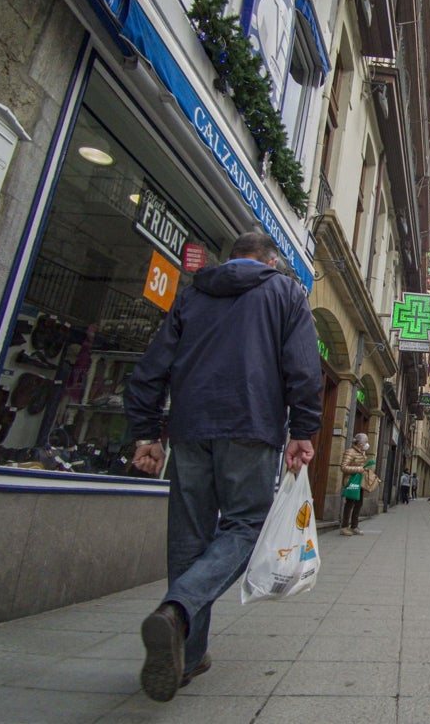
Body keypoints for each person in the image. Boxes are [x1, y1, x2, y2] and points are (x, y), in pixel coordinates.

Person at [124, 231, 322, 703]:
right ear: (272, 261)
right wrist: (303, 429)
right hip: (251, 426)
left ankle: (188, 658)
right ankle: (178, 607)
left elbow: (152, 368)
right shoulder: (285, 291)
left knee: (188, 538)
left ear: (230, 259)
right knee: (245, 527)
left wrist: (147, 432)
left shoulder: (193, 295)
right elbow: (303, 368)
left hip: (190, 429)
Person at [340, 434, 372, 535]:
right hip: (351, 481)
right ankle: (344, 527)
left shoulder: (362, 453)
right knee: (350, 504)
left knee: (358, 503)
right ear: (360, 443)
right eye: (366, 442)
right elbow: (343, 467)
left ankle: (354, 526)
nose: (367, 444)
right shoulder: (350, 452)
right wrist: (358, 469)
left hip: (359, 481)